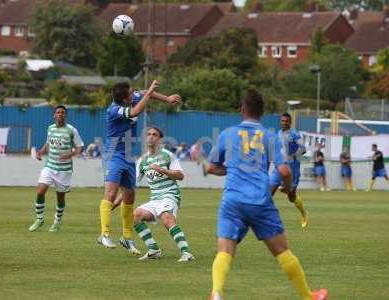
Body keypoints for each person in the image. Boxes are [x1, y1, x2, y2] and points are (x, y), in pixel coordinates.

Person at [204, 89, 328, 300]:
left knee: (224, 251)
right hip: (260, 201)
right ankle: (309, 296)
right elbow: (284, 171)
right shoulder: (271, 137)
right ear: (262, 112)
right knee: (282, 252)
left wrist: (232, 169)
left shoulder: (227, 134)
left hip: (232, 200)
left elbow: (210, 168)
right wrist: (289, 189)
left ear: (242, 109)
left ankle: (217, 293)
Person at [98, 80, 181, 252]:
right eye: (130, 94)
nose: (133, 94)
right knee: (111, 193)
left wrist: (167, 99)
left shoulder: (132, 97)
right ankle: (104, 235)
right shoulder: (114, 110)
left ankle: (126, 238)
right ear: (123, 99)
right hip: (113, 155)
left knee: (129, 197)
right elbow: (136, 110)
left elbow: (142, 93)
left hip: (128, 157)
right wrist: (150, 93)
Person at [133, 127, 194, 262]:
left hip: (170, 195)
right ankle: (153, 249)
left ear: (159, 139)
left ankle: (186, 253)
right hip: (155, 199)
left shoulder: (168, 155)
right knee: (136, 215)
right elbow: (133, 183)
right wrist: (118, 200)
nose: (151, 137)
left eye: (154, 135)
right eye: (148, 134)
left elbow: (180, 175)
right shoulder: (142, 160)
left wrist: (162, 170)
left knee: (167, 218)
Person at [29, 105, 84, 232]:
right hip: (49, 166)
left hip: (64, 170)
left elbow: (80, 147)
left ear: (66, 115)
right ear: (54, 115)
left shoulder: (71, 130)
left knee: (60, 197)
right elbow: (48, 143)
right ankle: (39, 219)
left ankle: (57, 222)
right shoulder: (50, 128)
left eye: (62, 112)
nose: (60, 114)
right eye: (58, 112)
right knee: (40, 191)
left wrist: (69, 154)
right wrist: (40, 152)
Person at [269, 113, 308, 229]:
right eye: (282, 121)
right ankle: (268, 220)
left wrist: (293, 155)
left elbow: (304, 149)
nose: (284, 123)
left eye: (286, 121)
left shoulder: (295, 135)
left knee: (291, 197)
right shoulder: (279, 133)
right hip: (280, 166)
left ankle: (304, 214)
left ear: (290, 122)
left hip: (293, 168)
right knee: (269, 192)